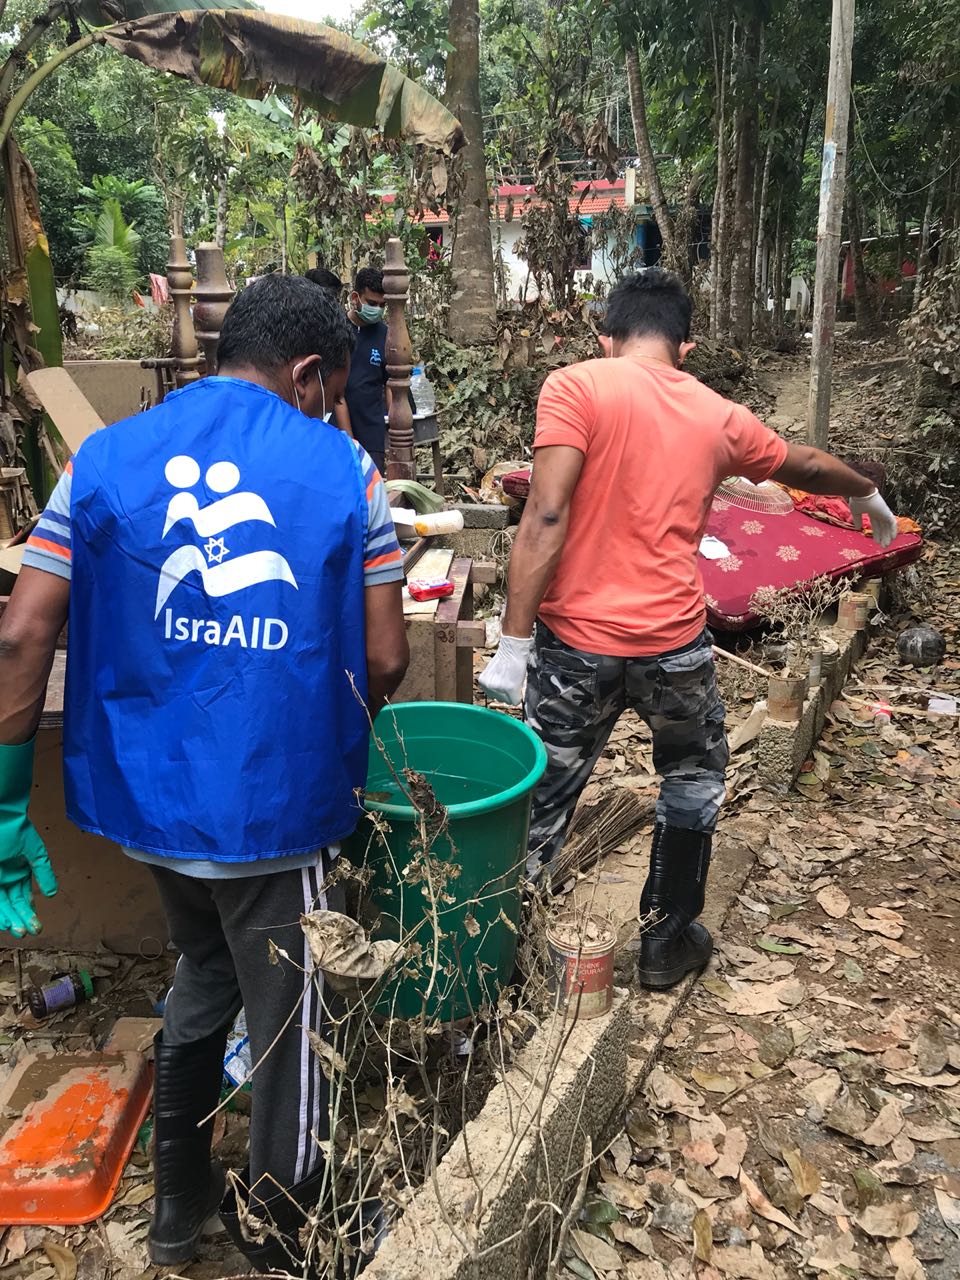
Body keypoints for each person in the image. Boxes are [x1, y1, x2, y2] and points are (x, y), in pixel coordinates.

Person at [0, 275, 409, 1273]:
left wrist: (8, 799)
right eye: (331, 386)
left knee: (206, 970)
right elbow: (389, 655)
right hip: (274, 810)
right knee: (290, 1023)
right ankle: (285, 1230)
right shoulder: (346, 469)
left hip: (147, 806)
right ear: (308, 373)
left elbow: (21, 633)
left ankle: (179, 1206)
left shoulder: (99, 456)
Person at [480, 268, 898, 991]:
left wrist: (514, 646)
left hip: (575, 645)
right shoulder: (714, 410)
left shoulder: (576, 385)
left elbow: (544, 514)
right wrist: (863, 488)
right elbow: (800, 462)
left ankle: (499, 964)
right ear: (686, 346)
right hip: (673, 643)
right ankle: (666, 939)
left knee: (544, 792)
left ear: (607, 335)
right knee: (695, 774)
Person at [344, 267, 390, 474]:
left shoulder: (386, 335)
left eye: (382, 305)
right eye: (371, 303)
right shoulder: (336, 328)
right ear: (356, 298)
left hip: (372, 430)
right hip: (337, 430)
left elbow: (389, 383)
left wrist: (393, 427)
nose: (377, 310)